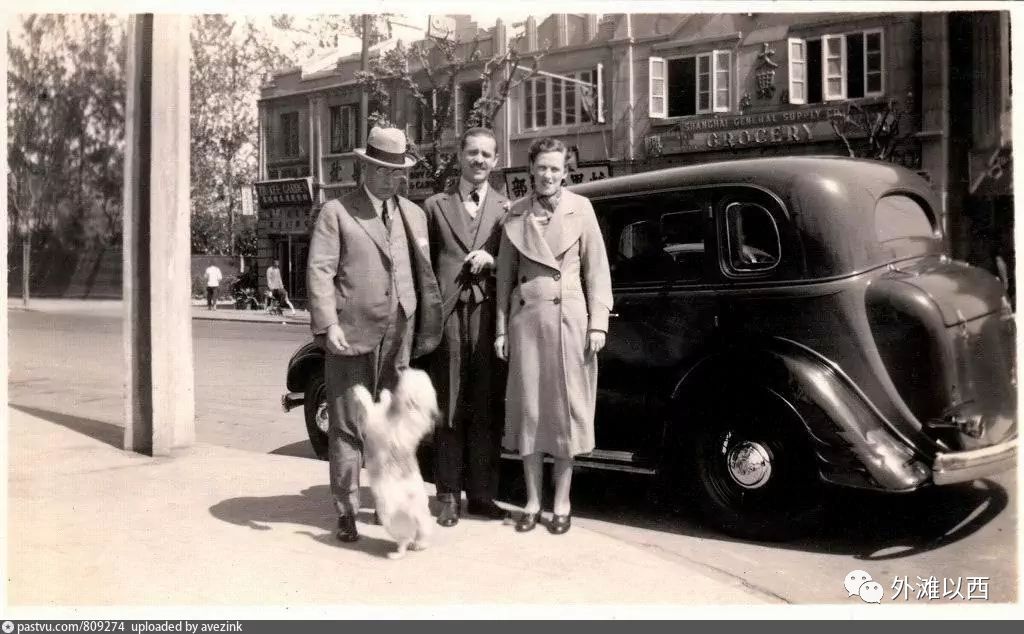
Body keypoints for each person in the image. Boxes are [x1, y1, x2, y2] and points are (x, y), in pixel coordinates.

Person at [306, 126, 442, 543]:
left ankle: (392, 505)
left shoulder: (414, 214)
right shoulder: (336, 212)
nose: (389, 178)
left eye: (396, 171)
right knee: (348, 425)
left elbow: (421, 271)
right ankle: (346, 510)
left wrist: (419, 320)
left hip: (400, 334)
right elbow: (320, 271)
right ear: (363, 167)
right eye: (381, 169)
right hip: (350, 333)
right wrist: (328, 323)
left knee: (395, 427)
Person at [494, 137, 613, 535]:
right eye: (541, 167)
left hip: (569, 323)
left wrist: (598, 323)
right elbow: (504, 279)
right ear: (531, 169)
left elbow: (598, 271)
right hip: (527, 323)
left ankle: (562, 502)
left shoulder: (582, 209)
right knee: (529, 413)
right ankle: (532, 501)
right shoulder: (515, 213)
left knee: (565, 413)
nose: (547, 175)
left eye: (555, 168)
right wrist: (500, 330)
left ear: (565, 172)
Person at [423, 127, 510, 527]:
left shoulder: (508, 209)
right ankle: (447, 495)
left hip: (489, 318)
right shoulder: (434, 206)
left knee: (486, 404)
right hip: (448, 317)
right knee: (449, 404)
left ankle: (482, 495)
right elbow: (424, 267)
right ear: (459, 155)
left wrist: (493, 261)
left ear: (496, 161)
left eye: (486, 154)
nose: (479, 160)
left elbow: (517, 264)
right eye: (472, 152)